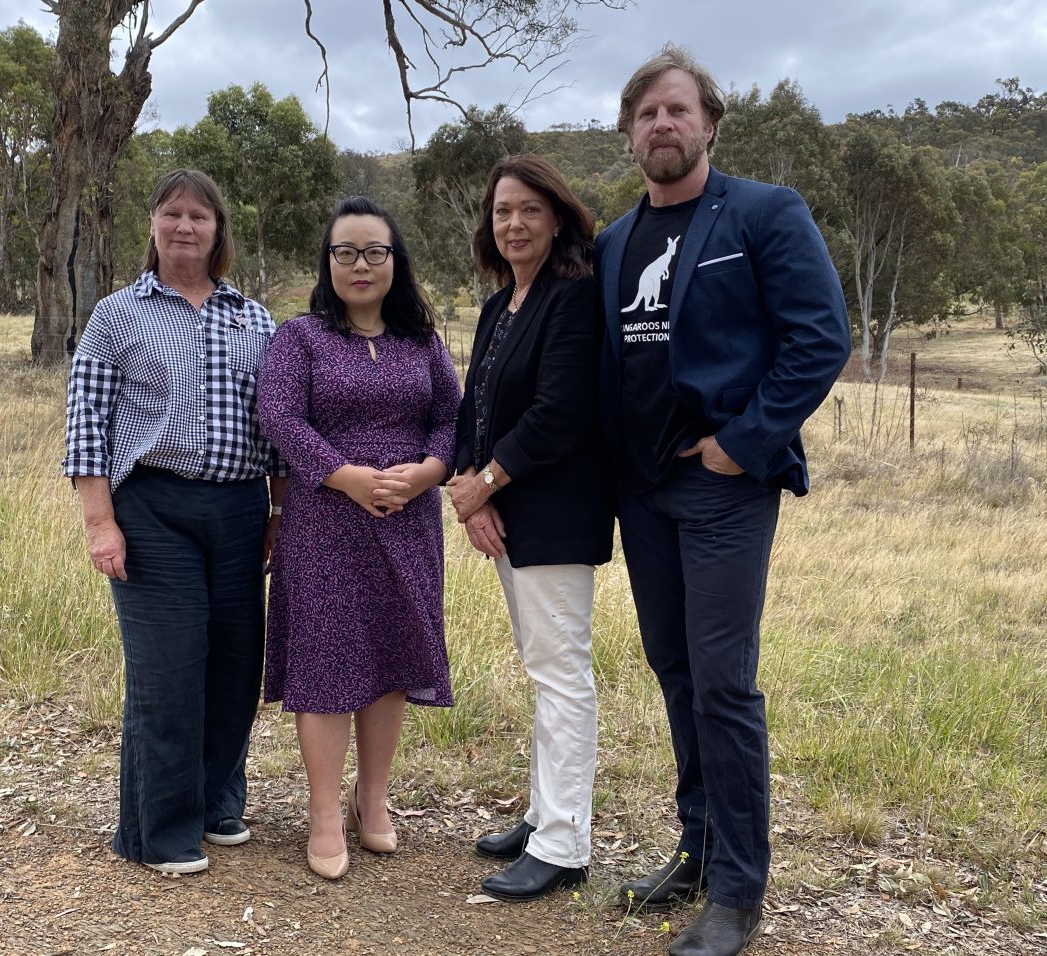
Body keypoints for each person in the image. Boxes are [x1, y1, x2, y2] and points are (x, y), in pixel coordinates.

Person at [594, 45, 851, 956]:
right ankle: (699, 849)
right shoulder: (615, 243)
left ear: (708, 123)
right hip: (642, 492)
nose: (661, 126)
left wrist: (741, 447)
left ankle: (741, 891)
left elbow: (821, 339)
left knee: (723, 682)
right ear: (629, 135)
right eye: (645, 115)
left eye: (677, 110)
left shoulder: (765, 214)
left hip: (721, 490)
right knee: (674, 671)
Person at [62, 169, 288, 875]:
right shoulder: (116, 315)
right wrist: (101, 523)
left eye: (199, 216)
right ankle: (158, 831)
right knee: (169, 669)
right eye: (172, 214)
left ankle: (216, 801)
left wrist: (280, 511)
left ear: (218, 230)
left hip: (241, 506)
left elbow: (279, 426)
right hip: (152, 509)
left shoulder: (254, 319)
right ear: (153, 224)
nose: (185, 227)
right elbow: (85, 426)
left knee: (232, 664)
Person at [257, 196, 460, 881]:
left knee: (390, 658)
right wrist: (344, 476)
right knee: (325, 664)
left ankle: (372, 801)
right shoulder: (300, 338)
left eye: (375, 251)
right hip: (325, 522)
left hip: (407, 520)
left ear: (396, 262)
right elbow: (280, 418)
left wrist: (429, 471)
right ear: (328, 262)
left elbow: (452, 421)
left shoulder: (423, 342)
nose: (361, 264)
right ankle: (321, 814)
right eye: (345, 252)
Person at [448, 155, 615, 903]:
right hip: (506, 515)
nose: (512, 223)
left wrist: (484, 482)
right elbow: (472, 407)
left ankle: (564, 844)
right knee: (542, 668)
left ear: (558, 217)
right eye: (501, 211)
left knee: (561, 675)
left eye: (529, 210)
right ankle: (546, 813)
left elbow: (560, 414)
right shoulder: (498, 306)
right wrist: (474, 495)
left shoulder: (572, 297)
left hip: (555, 514)